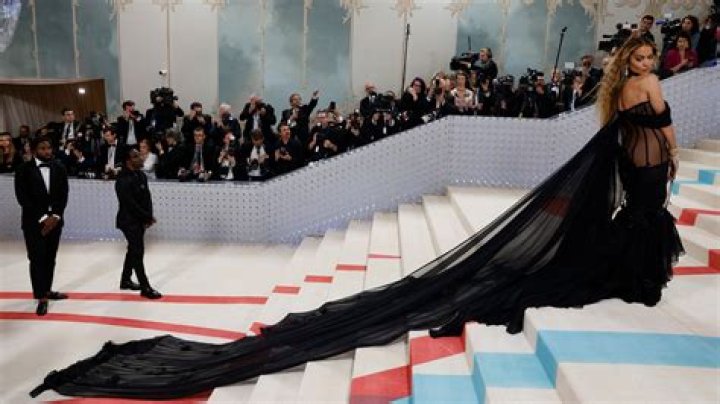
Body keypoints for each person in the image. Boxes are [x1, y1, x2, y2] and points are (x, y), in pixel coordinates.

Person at [30, 38, 684, 400]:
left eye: (652, 59)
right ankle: (635, 274)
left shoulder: (631, 94)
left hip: (643, 166)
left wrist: (661, 151)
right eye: (641, 58)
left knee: (635, 223)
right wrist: (660, 150)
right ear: (630, 63)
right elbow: (648, 130)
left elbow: (649, 130)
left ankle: (632, 270)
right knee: (630, 225)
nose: (648, 66)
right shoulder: (640, 92)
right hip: (641, 166)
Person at [14, 136, 69, 317]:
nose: (47, 151)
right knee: (37, 259)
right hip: (33, 224)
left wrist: (56, 216)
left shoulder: (59, 167)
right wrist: (44, 218)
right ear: (34, 150)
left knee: (50, 258)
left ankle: (47, 289)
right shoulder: (23, 170)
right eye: (42, 148)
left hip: (55, 222)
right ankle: (41, 297)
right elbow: (23, 198)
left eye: (49, 148)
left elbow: (63, 194)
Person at [115, 149, 162, 299]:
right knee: (137, 251)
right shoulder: (122, 180)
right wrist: (146, 217)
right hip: (128, 221)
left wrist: (148, 217)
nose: (140, 158)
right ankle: (145, 287)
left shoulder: (141, 175)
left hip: (140, 219)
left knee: (133, 249)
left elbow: (147, 197)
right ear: (128, 161)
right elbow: (130, 204)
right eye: (135, 156)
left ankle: (125, 280)